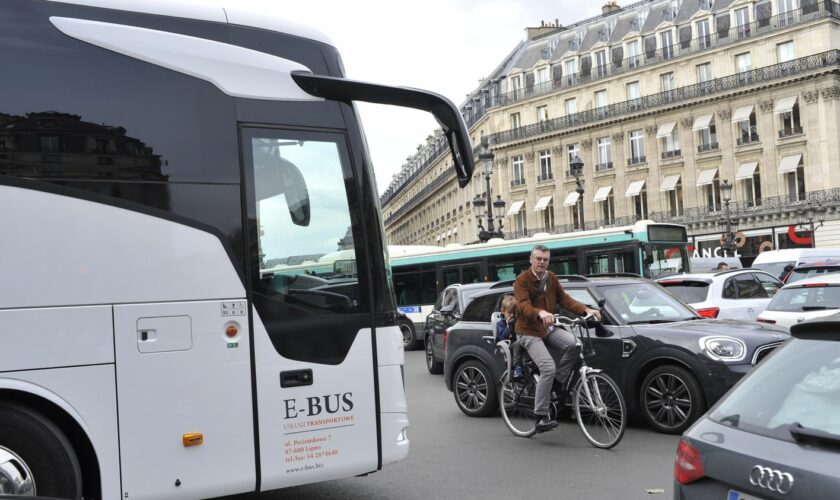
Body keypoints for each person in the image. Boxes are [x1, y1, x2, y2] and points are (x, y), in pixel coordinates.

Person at [514, 244, 602, 433]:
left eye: (545, 259)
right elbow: (522, 306)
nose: (542, 262)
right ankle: (540, 416)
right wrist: (540, 312)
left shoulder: (551, 278)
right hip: (528, 331)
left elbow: (565, 300)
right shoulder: (522, 280)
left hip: (548, 329)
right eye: (538, 259)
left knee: (575, 344)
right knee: (547, 367)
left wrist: (586, 309)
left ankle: (558, 382)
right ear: (531, 259)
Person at [495, 295, 524, 379]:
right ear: (503, 311)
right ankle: (517, 368)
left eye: (514, 313)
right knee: (517, 344)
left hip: (520, 344)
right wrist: (508, 326)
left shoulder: (517, 321)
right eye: (510, 313)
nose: (512, 315)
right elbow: (502, 336)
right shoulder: (501, 323)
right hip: (508, 346)